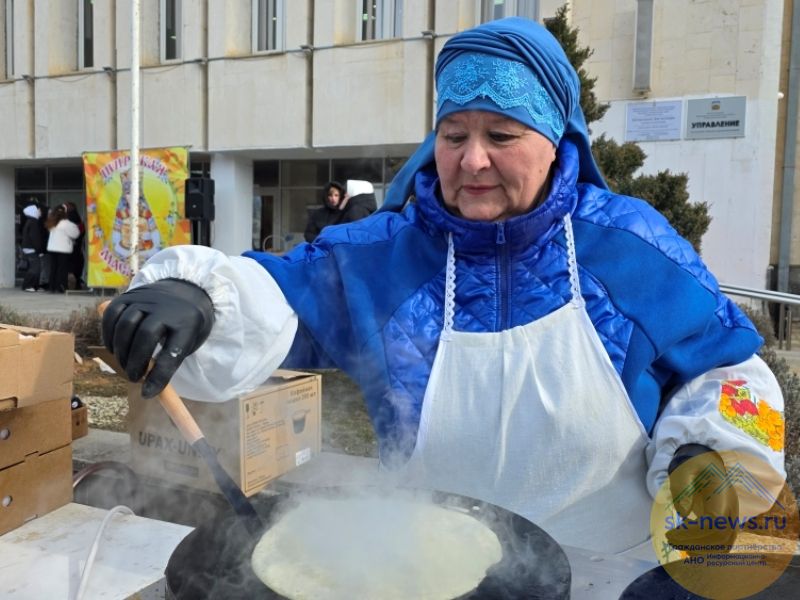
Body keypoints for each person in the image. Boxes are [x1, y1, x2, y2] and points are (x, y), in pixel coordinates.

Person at [101, 18, 785, 557]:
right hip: (430, 568)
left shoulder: (628, 246)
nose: (473, 158)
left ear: (554, 139)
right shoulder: (390, 255)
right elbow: (283, 291)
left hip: (612, 570)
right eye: (454, 134)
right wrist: (195, 297)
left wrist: (708, 452)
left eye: (502, 134)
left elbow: (726, 368)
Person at [304, 179, 377, 242]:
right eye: (330, 195)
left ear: (341, 196)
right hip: (321, 251)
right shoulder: (318, 214)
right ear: (326, 196)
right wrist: (320, 242)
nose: (333, 198)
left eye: (336, 195)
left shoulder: (347, 213)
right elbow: (308, 234)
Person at [45, 204, 80, 293]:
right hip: (63, 249)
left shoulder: (52, 223)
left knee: (53, 268)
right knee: (62, 269)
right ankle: (60, 287)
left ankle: (51, 287)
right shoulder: (66, 224)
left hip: (52, 249)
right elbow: (76, 234)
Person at [20, 199, 47, 292]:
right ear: (33, 212)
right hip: (32, 249)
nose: (40, 212)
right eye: (38, 210)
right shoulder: (33, 222)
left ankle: (33, 286)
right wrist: (39, 250)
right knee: (35, 268)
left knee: (35, 267)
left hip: (29, 248)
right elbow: (35, 238)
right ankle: (27, 285)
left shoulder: (30, 221)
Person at [65, 201, 86, 290]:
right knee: (77, 264)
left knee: (69, 266)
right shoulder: (78, 219)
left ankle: (70, 284)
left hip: (70, 246)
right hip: (77, 246)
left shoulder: (68, 219)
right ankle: (76, 283)